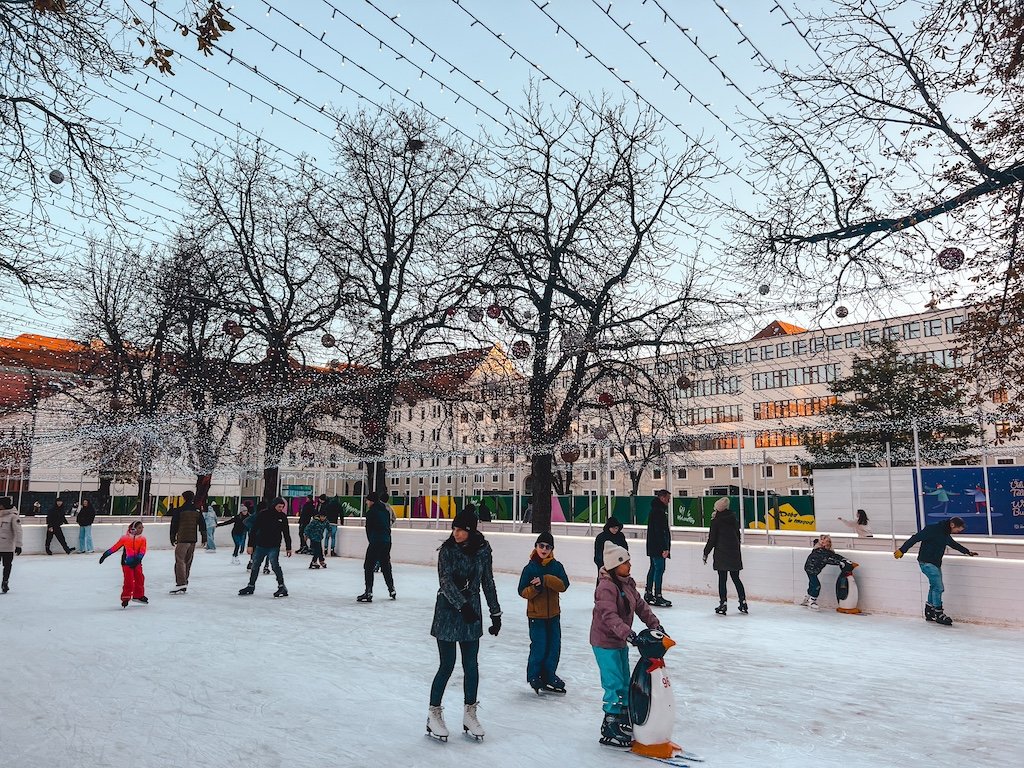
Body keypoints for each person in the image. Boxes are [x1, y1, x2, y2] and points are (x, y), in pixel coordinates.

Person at [426, 510, 502, 742]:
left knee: (471, 666)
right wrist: (463, 606)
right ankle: (433, 714)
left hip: (472, 613)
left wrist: (495, 612)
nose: (455, 533)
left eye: (461, 530)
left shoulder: (483, 550)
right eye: (454, 529)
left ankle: (470, 713)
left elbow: (487, 581)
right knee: (447, 664)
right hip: (448, 613)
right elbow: (445, 582)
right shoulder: (447, 551)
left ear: (471, 530)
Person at [591, 540, 663, 749]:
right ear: (615, 565)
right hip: (605, 641)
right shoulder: (606, 587)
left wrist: (655, 625)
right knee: (613, 682)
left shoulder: (627, 583)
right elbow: (609, 616)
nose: (630, 565)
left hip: (619, 640)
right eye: (626, 562)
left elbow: (640, 606)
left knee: (624, 680)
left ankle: (622, 718)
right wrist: (629, 635)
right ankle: (610, 724)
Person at [895, 516, 978, 625]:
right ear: (952, 525)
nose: (957, 532)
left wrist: (967, 552)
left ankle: (929, 611)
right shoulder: (932, 529)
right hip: (926, 562)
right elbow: (915, 538)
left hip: (935, 563)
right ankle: (938, 613)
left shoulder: (945, 533)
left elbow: (954, 544)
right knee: (939, 588)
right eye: (957, 530)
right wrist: (902, 550)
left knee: (934, 586)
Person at [518, 531, 570, 693]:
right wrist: (535, 589)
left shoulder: (556, 566)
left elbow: (564, 585)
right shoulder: (530, 568)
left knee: (554, 647)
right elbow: (522, 591)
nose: (544, 549)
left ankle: (549, 675)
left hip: (553, 615)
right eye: (541, 546)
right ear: (536, 546)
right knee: (539, 646)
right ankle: (534, 676)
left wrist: (546, 579)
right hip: (536, 616)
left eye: (548, 547)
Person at [238, 497, 292, 597]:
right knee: (255, 565)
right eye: (279, 507)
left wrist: (288, 547)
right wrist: (250, 545)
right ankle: (251, 586)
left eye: (282, 507)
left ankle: (282, 587)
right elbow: (254, 530)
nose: (281, 509)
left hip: (274, 545)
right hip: (261, 544)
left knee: (275, 565)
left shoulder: (282, 517)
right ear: (274, 505)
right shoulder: (263, 514)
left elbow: (286, 532)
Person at [702, 497, 747, 615]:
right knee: (736, 578)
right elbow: (738, 536)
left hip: (721, 553)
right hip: (734, 553)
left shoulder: (716, 521)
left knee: (722, 579)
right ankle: (743, 601)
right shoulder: (733, 519)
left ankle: (723, 603)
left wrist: (706, 553)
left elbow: (712, 539)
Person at [99, 521, 148, 608]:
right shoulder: (125, 538)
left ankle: (138, 596)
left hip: (137, 562)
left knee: (140, 578)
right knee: (129, 581)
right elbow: (115, 547)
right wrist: (105, 555)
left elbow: (142, 551)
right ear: (133, 529)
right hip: (126, 563)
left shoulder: (142, 539)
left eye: (142, 527)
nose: (142, 529)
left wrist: (138, 560)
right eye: (139, 527)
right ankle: (125, 597)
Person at [801, 535, 856, 611]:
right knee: (816, 585)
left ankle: (807, 598)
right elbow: (827, 560)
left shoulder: (827, 551)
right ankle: (812, 601)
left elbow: (834, 556)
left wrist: (844, 559)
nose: (828, 543)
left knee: (812, 584)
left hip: (814, 570)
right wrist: (840, 563)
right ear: (822, 543)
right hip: (810, 569)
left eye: (829, 542)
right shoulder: (819, 551)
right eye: (826, 542)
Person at [357, 491, 395, 602]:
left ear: (372, 501)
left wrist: (372, 541)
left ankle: (368, 591)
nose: (366, 502)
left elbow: (368, 529)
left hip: (376, 541)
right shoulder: (386, 511)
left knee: (368, 566)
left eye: (367, 500)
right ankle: (391, 589)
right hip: (387, 541)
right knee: (386, 565)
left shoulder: (371, 512)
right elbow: (388, 526)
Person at [169, 490, 206, 594]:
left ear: (184, 498)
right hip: (192, 539)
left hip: (182, 539)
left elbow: (174, 525)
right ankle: (185, 581)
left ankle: (181, 583)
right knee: (188, 561)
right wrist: (204, 537)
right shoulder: (197, 510)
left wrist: (172, 537)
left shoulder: (179, 510)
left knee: (180, 561)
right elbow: (202, 524)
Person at [644, 489, 672, 607]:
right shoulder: (659, 512)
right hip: (658, 547)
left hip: (653, 546)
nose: (669, 501)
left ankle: (649, 593)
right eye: (668, 499)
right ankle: (657, 595)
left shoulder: (655, 510)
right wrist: (664, 548)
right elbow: (660, 531)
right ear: (662, 498)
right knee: (659, 569)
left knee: (653, 568)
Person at [0, 496, 24, 594]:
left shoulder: (13, 516)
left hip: (7, 547)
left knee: (7, 566)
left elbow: (18, 531)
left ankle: (5, 582)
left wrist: (18, 545)